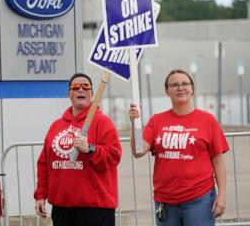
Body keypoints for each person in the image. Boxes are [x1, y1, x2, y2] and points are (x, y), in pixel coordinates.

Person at [129, 69, 229, 226]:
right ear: (167, 91)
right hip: (166, 202)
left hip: (199, 200)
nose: (180, 88)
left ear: (192, 88)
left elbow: (218, 161)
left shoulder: (208, 120)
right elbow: (138, 151)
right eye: (174, 85)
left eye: (185, 84)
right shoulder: (157, 121)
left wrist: (222, 195)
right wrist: (134, 124)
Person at [34, 73, 122, 226]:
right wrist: (40, 195)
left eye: (86, 87)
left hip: (95, 208)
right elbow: (44, 164)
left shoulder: (102, 122)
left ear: (92, 94)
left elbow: (114, 156)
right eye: (75, 87)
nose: (81, 90)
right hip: (62, 208)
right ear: (69, 94)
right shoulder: (56, 126)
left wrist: (90, 149)